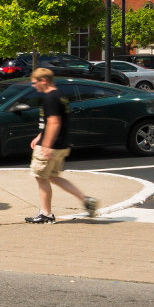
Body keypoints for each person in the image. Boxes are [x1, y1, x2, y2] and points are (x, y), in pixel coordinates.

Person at [25, 68, 98, 223]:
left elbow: (54, 122)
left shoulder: (50, 98)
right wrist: (40, 136)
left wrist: (46, 145)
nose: (33, 86)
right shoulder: (60, 96)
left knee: (41, 177)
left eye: (35, 82)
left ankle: (46, 214)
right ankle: (86, 200)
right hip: (61, 144)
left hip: (51, 145)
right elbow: (54, 121)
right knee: (53, 176)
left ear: (44, 80)